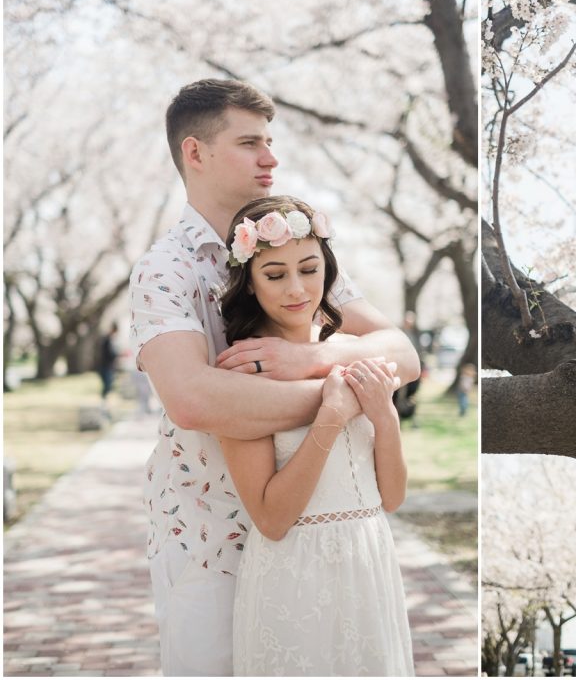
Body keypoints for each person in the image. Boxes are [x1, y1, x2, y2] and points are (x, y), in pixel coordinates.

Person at [130, 79, 419, 676]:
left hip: (326, 542)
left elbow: (402, 355)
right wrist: (340, 395)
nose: (271, 157)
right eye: (250, 142)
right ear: (195, 153)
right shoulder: (164, 269)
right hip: (210, 533)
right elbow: (192, 400)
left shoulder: (291, 246)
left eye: (270, 141)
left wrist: (309, 359)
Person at [217, 197, 413, 675]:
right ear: (249, 282)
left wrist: (384, 418)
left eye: (309, 268)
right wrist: (330, 418)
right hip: (294, 578)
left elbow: (392, 497)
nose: (297, 289)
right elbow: (272, 518)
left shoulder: (347, 349)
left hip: (370, 562)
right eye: (275, 274)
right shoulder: (242, 370)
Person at [96, 322, 119, 414]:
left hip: (107, 366)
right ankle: (103, 403)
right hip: (105, 366)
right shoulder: (106, 340)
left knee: (108, 385)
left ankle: (104, 402)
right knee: (107, 385)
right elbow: (108, 354)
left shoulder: (107, 340)